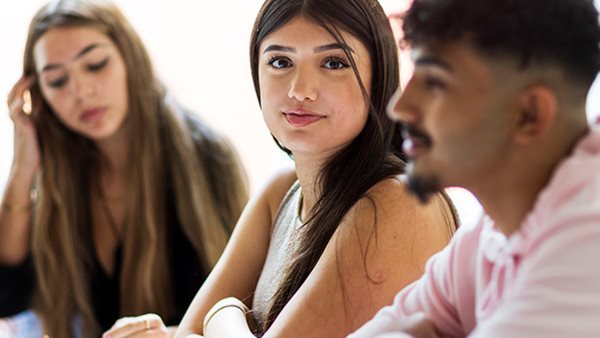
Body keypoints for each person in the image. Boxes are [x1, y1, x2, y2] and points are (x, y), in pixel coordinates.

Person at [171, 0, 458, 337]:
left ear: (378, 75)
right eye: (280, 62)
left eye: (333, 63)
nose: (300, 90)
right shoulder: (281, 191)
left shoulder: (398, 202)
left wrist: (224, 311)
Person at [349, 0, 600, 337]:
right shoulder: (485, 237)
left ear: (529, 114)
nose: (400, 108)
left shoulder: (587, 245)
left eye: (435, 82)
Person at [0, 0, 249, 337]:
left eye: (95, 64)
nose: (81, 91)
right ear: (38, 93)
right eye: (57, 81)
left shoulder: (205, 155)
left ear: (128, 56)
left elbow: (246, 306)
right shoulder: (62, 175)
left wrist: (173, 335)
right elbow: (7, 296)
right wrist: (22, 169)